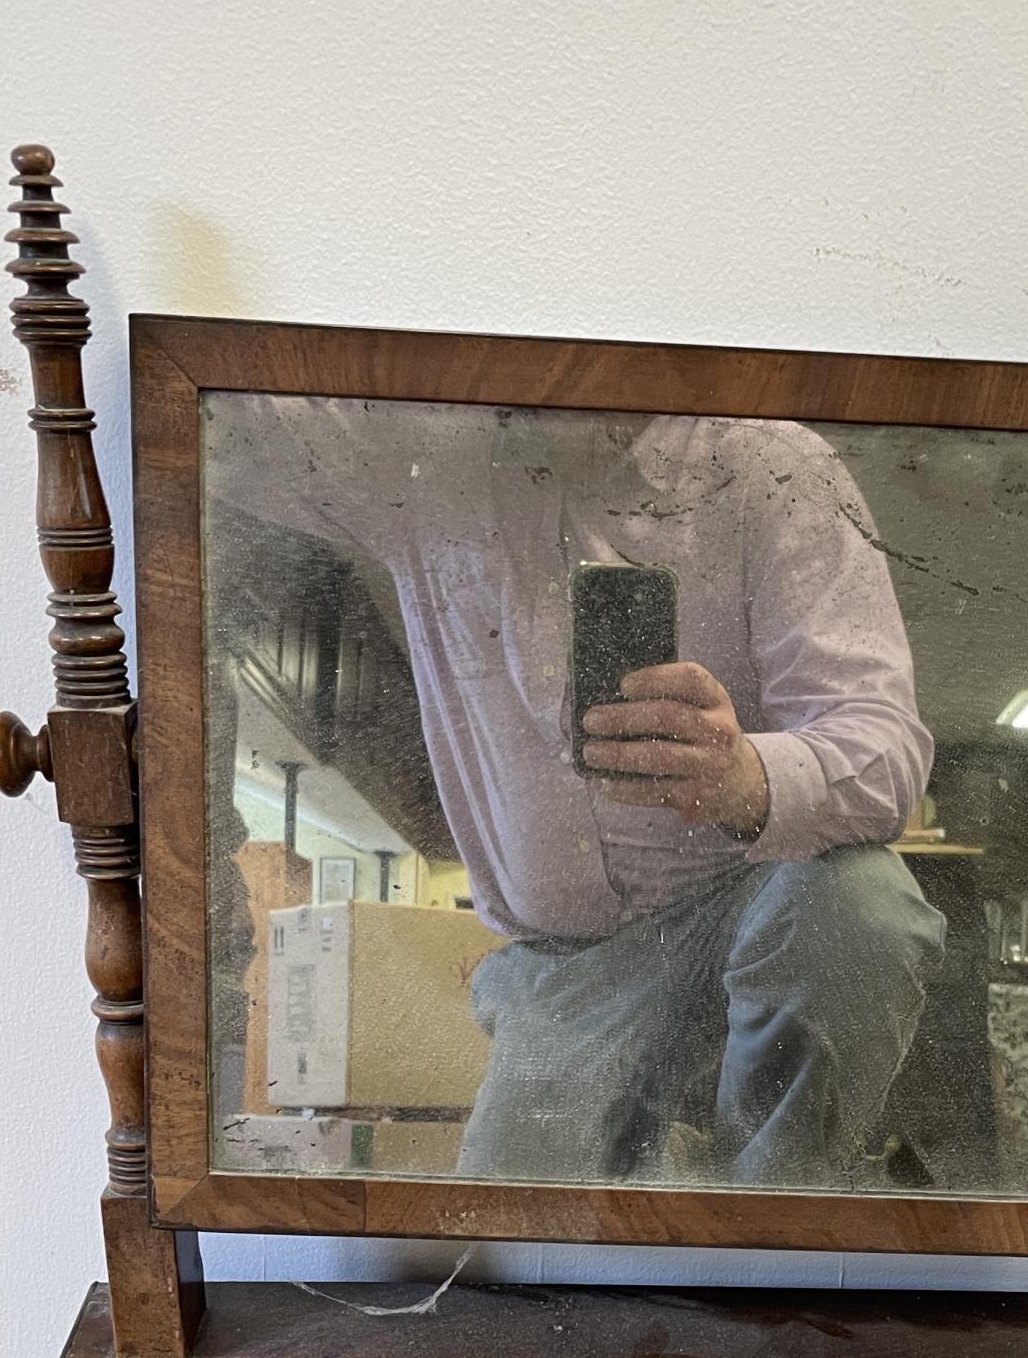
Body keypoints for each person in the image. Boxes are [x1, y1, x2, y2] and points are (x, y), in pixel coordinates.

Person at [207, 394, 943, 1187]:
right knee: (511, 1270)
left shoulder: (767, 464)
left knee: (858, 901)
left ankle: (775, 1227)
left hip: (745, 908)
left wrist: (740, 778)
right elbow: (215, 422)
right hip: (558, 975)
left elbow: (883, 745)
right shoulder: (416, 448)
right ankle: (767, 1219)